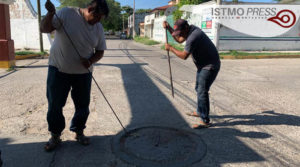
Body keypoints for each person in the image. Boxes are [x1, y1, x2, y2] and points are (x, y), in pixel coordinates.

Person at [40, 0, 109, 151]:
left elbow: (100, 51)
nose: (98, 21)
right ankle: (55, 136)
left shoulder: (98, 28)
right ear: (90, 9)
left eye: (101, 19)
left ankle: (79, 132)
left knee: (83, 106)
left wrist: (90, 60)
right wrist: (51, 13)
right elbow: (44, 29)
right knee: (55, 106)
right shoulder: (66, 13)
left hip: (83, 74)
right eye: (97, 17)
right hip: (58, 70)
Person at [163, 19, 220, 129]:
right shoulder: (190, 30)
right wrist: (169, 27)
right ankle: (200, 111)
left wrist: (170, 48)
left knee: (202, 91)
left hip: (209, 66)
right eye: (178, 32)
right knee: (198, 88)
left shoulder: (194, 36)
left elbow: (184, 56)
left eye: (180, 32)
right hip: (203, 65)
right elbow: (180, 40)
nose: (180, 35)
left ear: (186, 28)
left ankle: (205, 121)